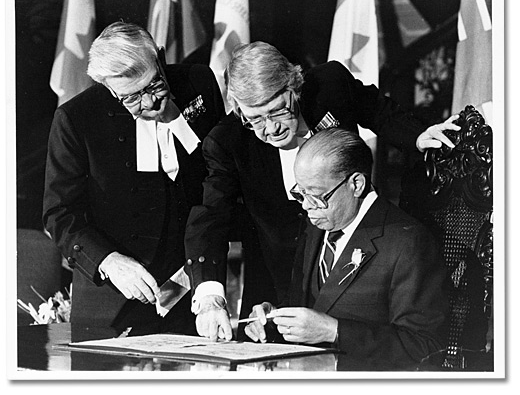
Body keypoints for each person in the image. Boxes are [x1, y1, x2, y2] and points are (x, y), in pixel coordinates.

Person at [183, 41, 458, 341]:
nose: (271, 129)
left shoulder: (331, 85)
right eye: (255, 119)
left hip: (360, 255)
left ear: (294, 86)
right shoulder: (226, 141)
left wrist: (418, 135)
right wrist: (209, 297)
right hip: (281, 272)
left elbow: (378, 109)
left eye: (278, 111)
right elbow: (211, 216)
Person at [43, 22, 225, 335]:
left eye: (155, 85)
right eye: (131, 97)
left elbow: (218, 182)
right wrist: (109, 261)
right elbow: (58, 214)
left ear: (160, 59)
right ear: (108, 87)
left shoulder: (198, 82)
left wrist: (208, 285)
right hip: (111, 300)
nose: (151, 103)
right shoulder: (76, 119)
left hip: (191, 293)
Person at [244, 128, 449, 367]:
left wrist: (335, 332)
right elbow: (314, 306)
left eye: (318, 196)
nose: (308, 207)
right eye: (301, 194)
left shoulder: (407, 242)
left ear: (356, 184)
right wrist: (274, 319)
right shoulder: (316, 227)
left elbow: (425, 348)